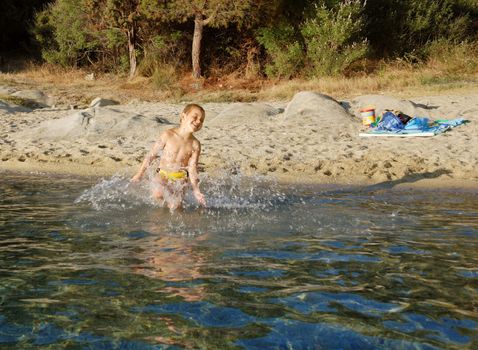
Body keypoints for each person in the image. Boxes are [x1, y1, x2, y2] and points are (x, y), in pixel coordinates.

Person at [131, 103, 207, 210]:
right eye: (195, 117)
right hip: (162, 174)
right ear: (183, 116)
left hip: (180, 179)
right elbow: (151, 155)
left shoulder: (195, 144)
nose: (198, 121)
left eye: (201, 120)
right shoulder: (168, 135)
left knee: (175, 206)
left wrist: (196, 190)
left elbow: (192, 168)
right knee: (158, 194)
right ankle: (158, 222)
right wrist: (139, 174)